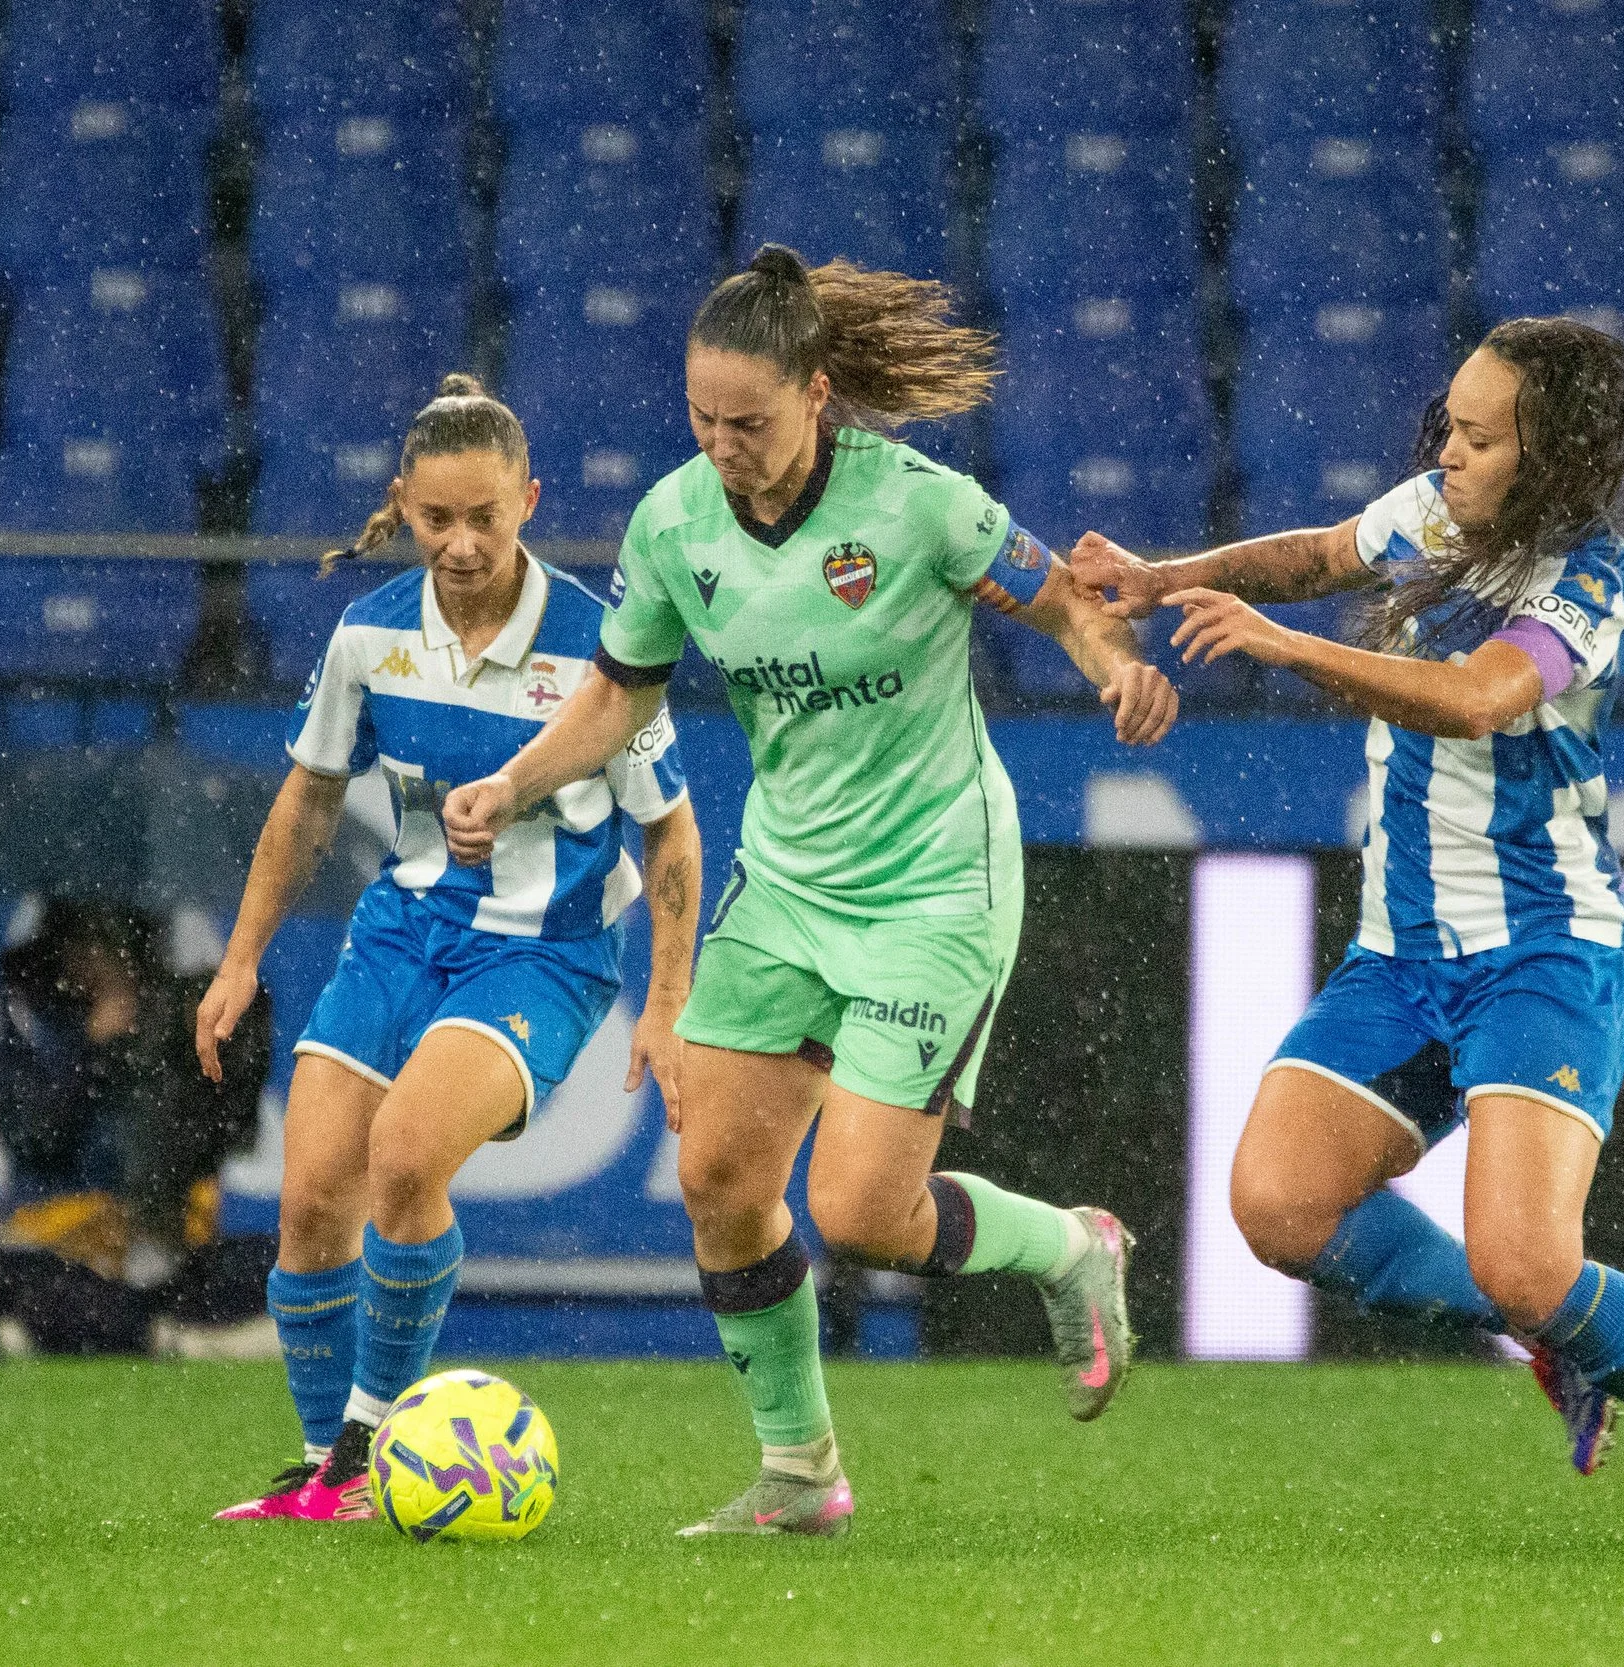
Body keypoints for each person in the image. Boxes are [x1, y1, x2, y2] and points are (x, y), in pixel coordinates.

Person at [443, 245, 1181, 1538]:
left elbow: (1063, 598)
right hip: (787, 881)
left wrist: (1114, 666)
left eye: (751, 421)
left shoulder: (918, 507)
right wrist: (513, 781)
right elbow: (621, 688)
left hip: (935, 884)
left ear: (819, 393)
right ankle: (800, 1473)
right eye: (702, 419)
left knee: (861, 1211)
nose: (724, 445)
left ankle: (1074, 1246)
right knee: (721, 1176)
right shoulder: (673, 522)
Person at [1071, 317, 1624, 1551]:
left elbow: (1480, 699)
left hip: (1541, 955)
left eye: (1479, 437)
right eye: (1448, 423)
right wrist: (1166, 576)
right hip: (1402, 955)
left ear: (1550, 460)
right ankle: (1558, 1337)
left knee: (1531, 1262)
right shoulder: (1439, 514)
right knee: (1279, 1207)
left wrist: (1280, 647)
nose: (1448, 453)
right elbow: (1325, 550)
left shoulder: (1585, 578)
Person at [198, 375, 702, 1523]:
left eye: (487, 515)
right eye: (438, 520)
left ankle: (372, 1452)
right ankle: (331, 1471)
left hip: (546, 950)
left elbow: (670, 830)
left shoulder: (599, 648)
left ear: (529, 498)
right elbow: (307, 801)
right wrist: (238, 959)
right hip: (405, 928)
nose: (463, 543)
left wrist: (666, 1001)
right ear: (403, 508)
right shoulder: (369, 632)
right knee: (314, 1195)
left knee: (408, 1158)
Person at [0, 899, 270, 1283]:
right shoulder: (34, 1013)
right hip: (53, 1228)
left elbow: (233, 1134)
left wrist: (189, 1039)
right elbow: (30, 1136)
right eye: (87, 944)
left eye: (112, 948)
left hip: (162, 1238)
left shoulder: (171, 1015)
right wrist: (88, 1046)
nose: (94, 964)